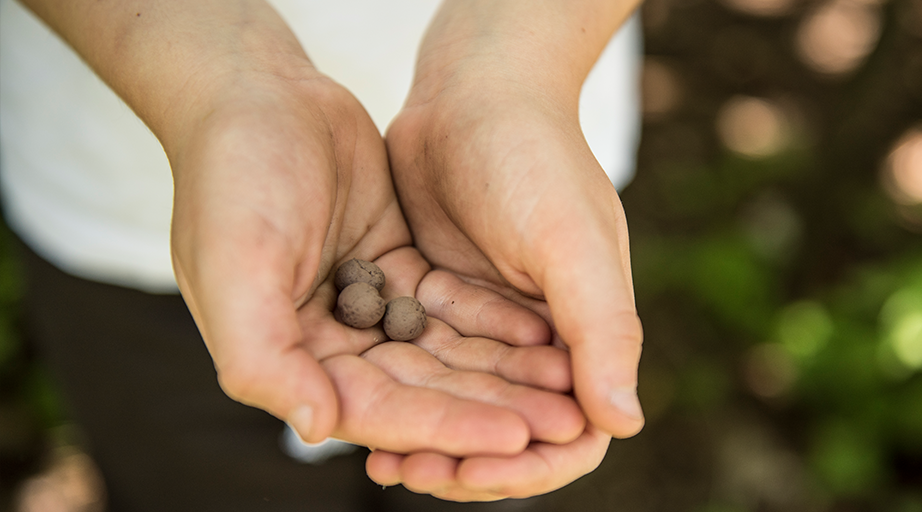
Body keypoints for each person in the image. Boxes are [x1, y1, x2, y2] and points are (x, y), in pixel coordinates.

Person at [0, 0, 645, 507]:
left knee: (481, 471)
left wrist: (516, 67)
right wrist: (223, 82)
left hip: (512, 213)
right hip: (123, 220)